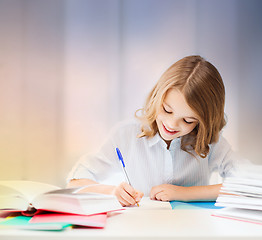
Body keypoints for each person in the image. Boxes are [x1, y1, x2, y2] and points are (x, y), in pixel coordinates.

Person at [67, 55, 247, 206]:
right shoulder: (126, 135)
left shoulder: (210, 142)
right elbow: (76, 182)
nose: (172, 124)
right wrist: (112, 191)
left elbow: (248, 186)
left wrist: (183, 193)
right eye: (167, 110)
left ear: (204, 121)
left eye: (188, 120)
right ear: (157, 97)